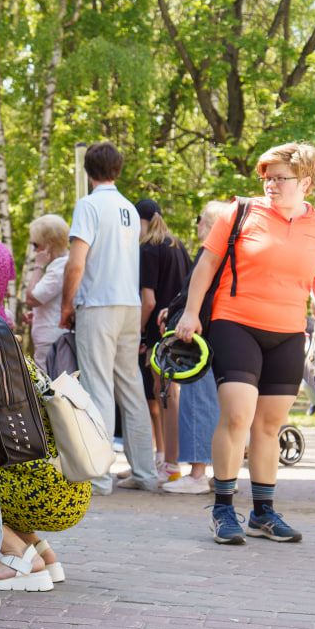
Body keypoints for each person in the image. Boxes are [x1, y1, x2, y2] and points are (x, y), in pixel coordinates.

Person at [175, 143, 315, 544]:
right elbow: (207, 265)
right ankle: (222, 508)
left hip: (287, 332)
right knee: (237, 415)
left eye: (279, 177)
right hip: (235, 323)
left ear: (305, 181)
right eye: (266, 176)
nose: (270, 183)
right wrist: (190, 312)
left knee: (270, 425)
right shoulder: (241, 212)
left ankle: (264, 512)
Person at [0, 269, 90, 593]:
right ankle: (43, 553)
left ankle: (16, 557)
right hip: (70, 486)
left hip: (41, 492)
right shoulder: (12, 353)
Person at [59, 142, 158, 493]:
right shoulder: (129, 208)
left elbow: (76, 262)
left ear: (88, 172)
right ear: (118, 169)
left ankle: (99, 476)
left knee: (98, 386)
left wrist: (66, 305)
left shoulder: (88, 205)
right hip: (128, 304)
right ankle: (146, 471)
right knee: (130, 387)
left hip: (98, 303)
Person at [160, 200, 227, 494]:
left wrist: (183, 317)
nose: (197, 224)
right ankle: (215, 474)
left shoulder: (211, 252)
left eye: (199, 218)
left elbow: (201, 295)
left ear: (210, 223)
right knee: (212, 405)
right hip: (215, 334)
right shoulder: (226, 254)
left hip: (200, 339)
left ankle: (198, 473)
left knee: (198, 403)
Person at [136, 199, 193, 483]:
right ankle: (164, 457)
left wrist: (138, 332)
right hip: (180, 325)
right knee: (167, 393)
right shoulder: (177, 245)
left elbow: (148, 300)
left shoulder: (148, 248)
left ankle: (169, 461)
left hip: (159, 330)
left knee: (164, 394)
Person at [23, 214, 70, 365]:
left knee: (49, 386)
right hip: (51, 337)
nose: (35, 250)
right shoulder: (60, 266)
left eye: (36, 245)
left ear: (48, 244)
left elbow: (31, 298)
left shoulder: (59, 268)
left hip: (51, 339)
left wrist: (38, 266)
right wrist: (37, 314)